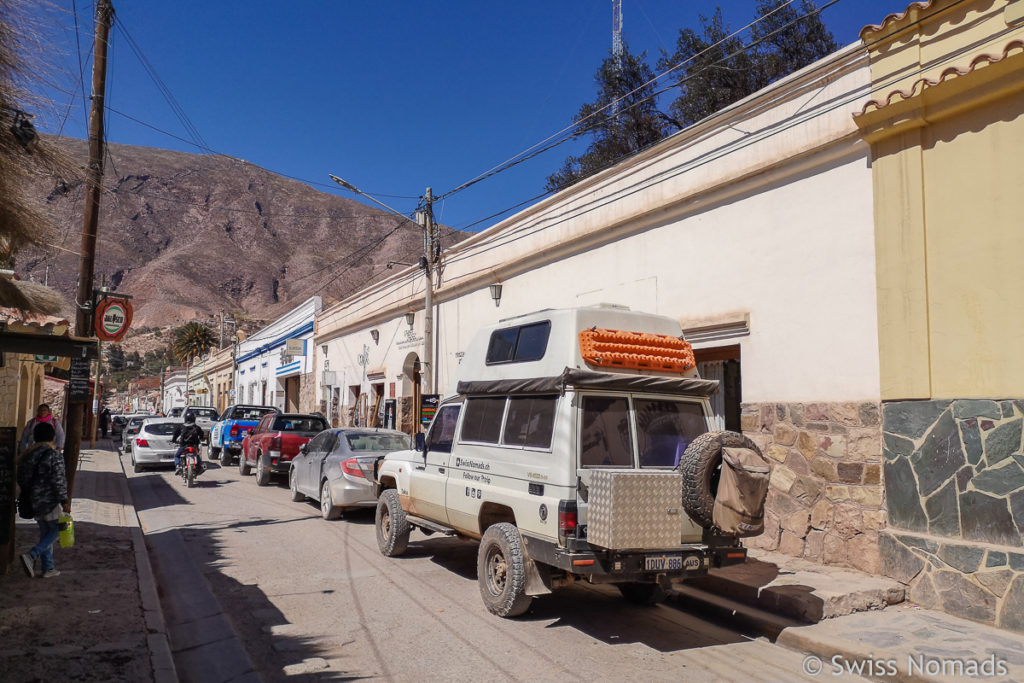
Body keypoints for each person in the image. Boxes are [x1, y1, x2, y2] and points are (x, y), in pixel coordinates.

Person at [18, 422, 70, 579]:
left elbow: (21, 478)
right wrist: (64, 500)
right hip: (50, 500)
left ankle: (48, 567)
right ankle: (32, 554)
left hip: (32, 500)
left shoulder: (27, 455)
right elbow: (59, 480)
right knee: (63, 528)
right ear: (52, 437)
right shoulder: (54, 455)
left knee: (46, 532)